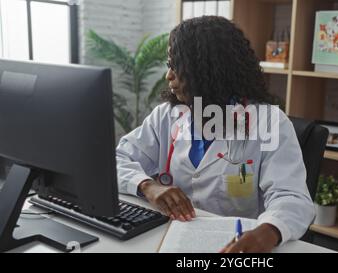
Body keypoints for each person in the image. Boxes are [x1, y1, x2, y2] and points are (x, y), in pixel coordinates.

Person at [116, 16, 314, 253]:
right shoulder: (168, 116)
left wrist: (269, 231)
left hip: (237, 244)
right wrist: (148, 185)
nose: (169, 75)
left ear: (206, 69)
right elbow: (118, 160)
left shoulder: (268, 122)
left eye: (177, 66)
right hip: (173, 239)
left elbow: (292, 197)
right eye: (169, 64)